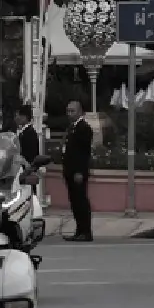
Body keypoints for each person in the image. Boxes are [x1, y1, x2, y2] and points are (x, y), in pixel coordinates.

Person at [61, 100, 94, 242]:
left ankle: (86, 231)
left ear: (80, 112)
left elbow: (83, 153)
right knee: (74, 201)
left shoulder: (84, 128)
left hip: (77, 172)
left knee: (81, 202)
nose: (69, 114)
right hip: (70, 171)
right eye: (68, 111)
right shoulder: (72, 128)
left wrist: (80, 171)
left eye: (72, 111)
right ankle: (79, 230)